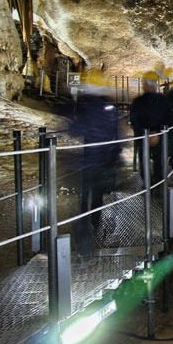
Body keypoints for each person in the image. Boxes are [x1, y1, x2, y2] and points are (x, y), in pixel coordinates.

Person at [69, 89, 121, 256]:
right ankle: (96, 226)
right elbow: (115, 134)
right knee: (97, 197)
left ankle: (84, 232)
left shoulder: (87, 108)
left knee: (84, 196)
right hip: (104, 160)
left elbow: (75, 130)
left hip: (88, 160)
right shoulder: (109, 109)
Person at [129, 71, 171, 183]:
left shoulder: (138, 102)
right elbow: (168, 118)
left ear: (148, 85)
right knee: (159, 160)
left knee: (144, 159)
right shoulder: (164, 101)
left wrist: (144, 133)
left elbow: (134, 120)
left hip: (143, 136)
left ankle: (147, 183)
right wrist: (157, 132)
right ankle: (158, 183)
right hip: (160, 136)